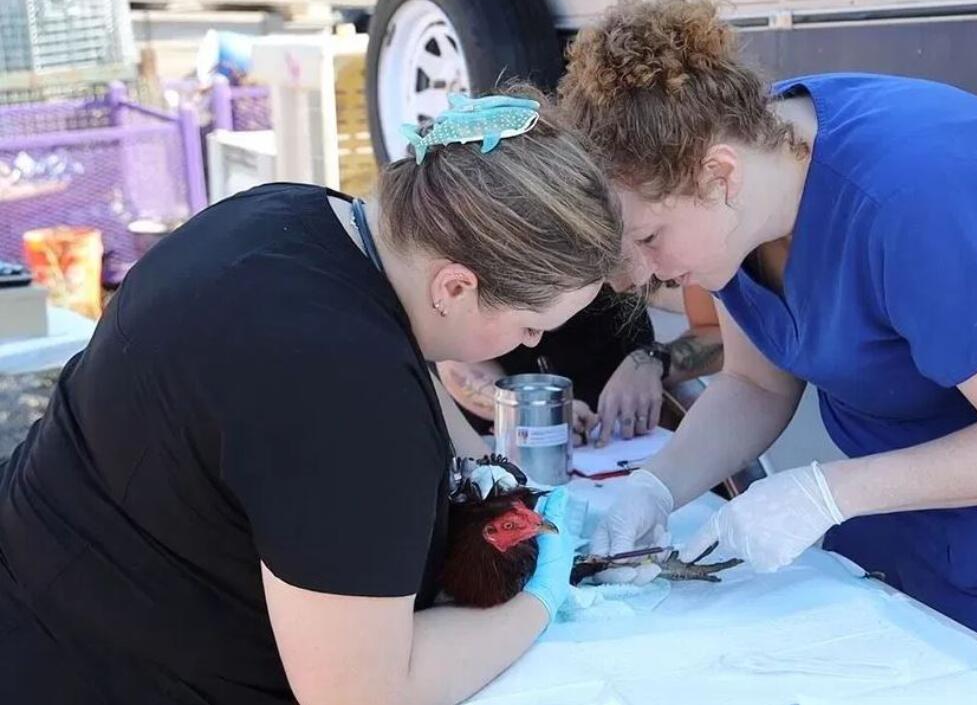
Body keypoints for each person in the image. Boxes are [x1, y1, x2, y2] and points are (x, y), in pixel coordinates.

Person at [559, 0, 977, 689]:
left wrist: (825, 492)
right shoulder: (730, 198)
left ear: (722, 175)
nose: (645, 275)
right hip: (902, 485)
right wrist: (657, 487)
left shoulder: (919, 195)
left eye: (648, 240)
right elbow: (755, 384)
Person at [0, 89, 617, 705]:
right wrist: (539, 602)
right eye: (531, 325)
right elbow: (361, 693)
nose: (530, 341)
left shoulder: (299, 213)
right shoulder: (348, 390)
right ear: (454, 286)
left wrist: (480, 461)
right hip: (84, 669)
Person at [437, 284, 723, 447]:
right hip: (511, 445)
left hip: (625, 444)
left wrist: (653, 362)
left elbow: (721, 335)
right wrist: (530, 410)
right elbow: (453, 358)